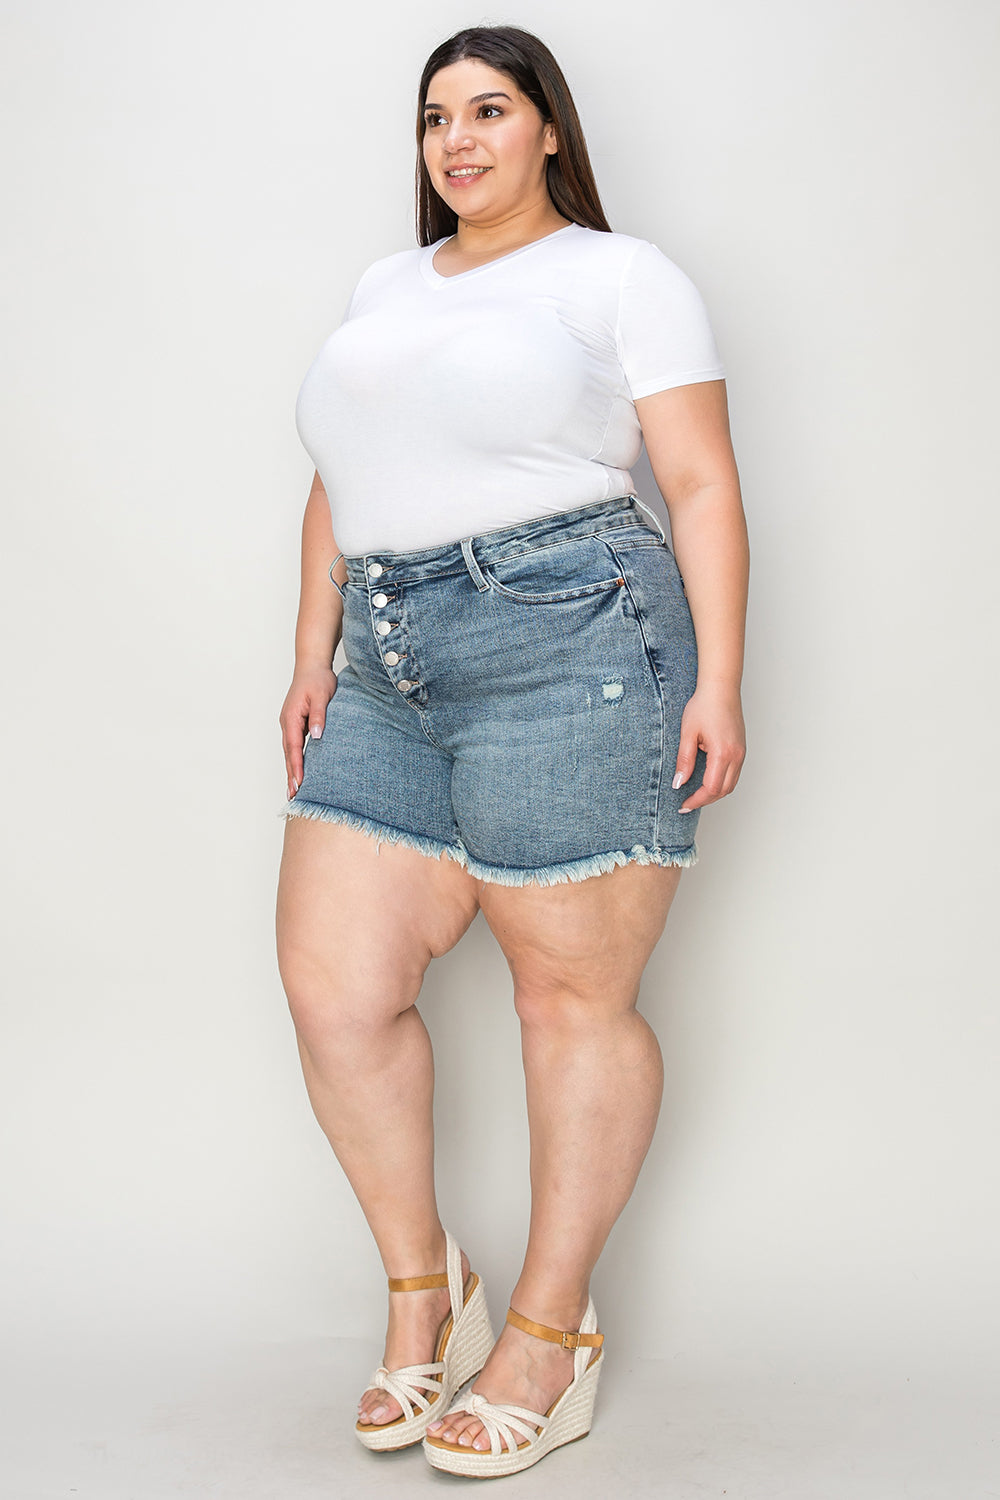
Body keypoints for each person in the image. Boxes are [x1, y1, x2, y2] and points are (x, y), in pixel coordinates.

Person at [274, 22, 748, 1479]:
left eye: (490, 110)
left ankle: (550, 1331)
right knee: (335, 985)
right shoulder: (384, 287)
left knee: (567, 1002)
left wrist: (719, 680)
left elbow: (697, 478)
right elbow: (339, 474)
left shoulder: (622, 276)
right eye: (435, 120)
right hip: (391, 658)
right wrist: (310, 652)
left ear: (549, 129)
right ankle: (432, 1289)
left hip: (576, 638)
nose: (458, 140)